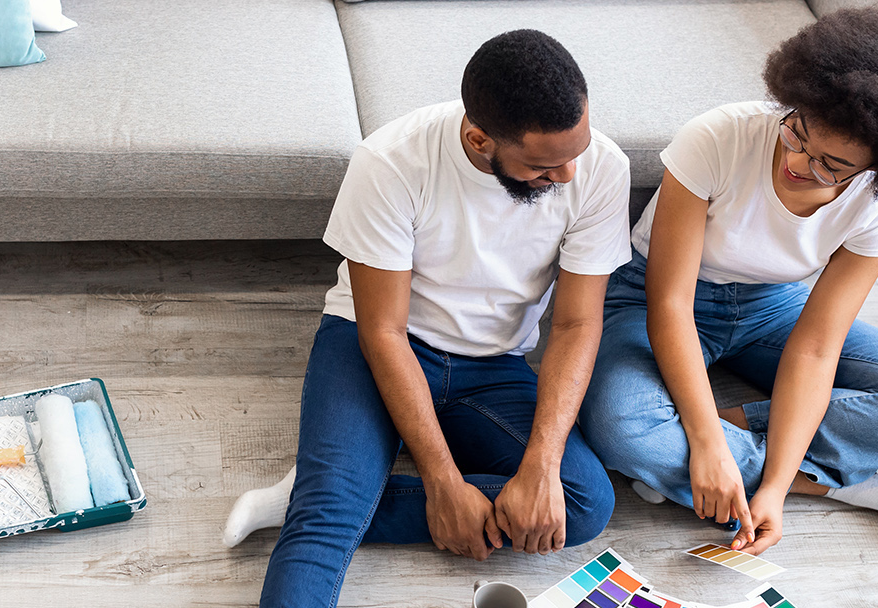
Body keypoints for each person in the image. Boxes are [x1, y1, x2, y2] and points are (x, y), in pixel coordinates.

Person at [220, 29, 627, 607]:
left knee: (583, 502)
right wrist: (440, 481)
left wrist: (541, 464)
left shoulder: (598, 169)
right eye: (543, 166)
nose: (566, 176)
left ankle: (316, 496)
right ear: (480, 138)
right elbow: (381, 330)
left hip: (495, 364)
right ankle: (327, 502)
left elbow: (576, 325)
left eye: (575, 154)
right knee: (324, 527)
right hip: (378, 346)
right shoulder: (391, 162)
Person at [578, 8, 878, 556]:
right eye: (797, 132)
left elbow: (816, 350)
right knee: (620, 427)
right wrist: (705, 445)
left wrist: (768, 484)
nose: (799, 161)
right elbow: (669, 305)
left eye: (831, 165)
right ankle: (835, 480)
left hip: (774, 307)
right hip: (656, 295)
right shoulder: (719, 136)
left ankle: (738, 448)